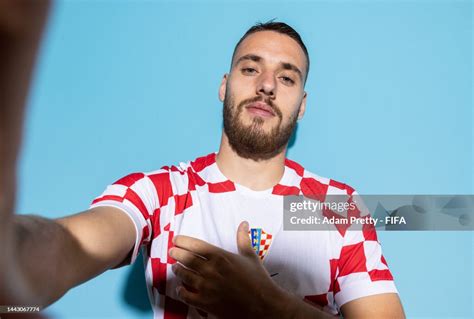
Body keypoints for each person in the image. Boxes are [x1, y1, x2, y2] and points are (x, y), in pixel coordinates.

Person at [0, 2, 405, 317]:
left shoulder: (339, 209)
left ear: (301, 106)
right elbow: (69, 245)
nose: (266, 86)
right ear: (224, 87)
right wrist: (10, 248)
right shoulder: (160, 193)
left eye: (286, 78)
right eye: (251, 68)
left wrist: (267, 305)